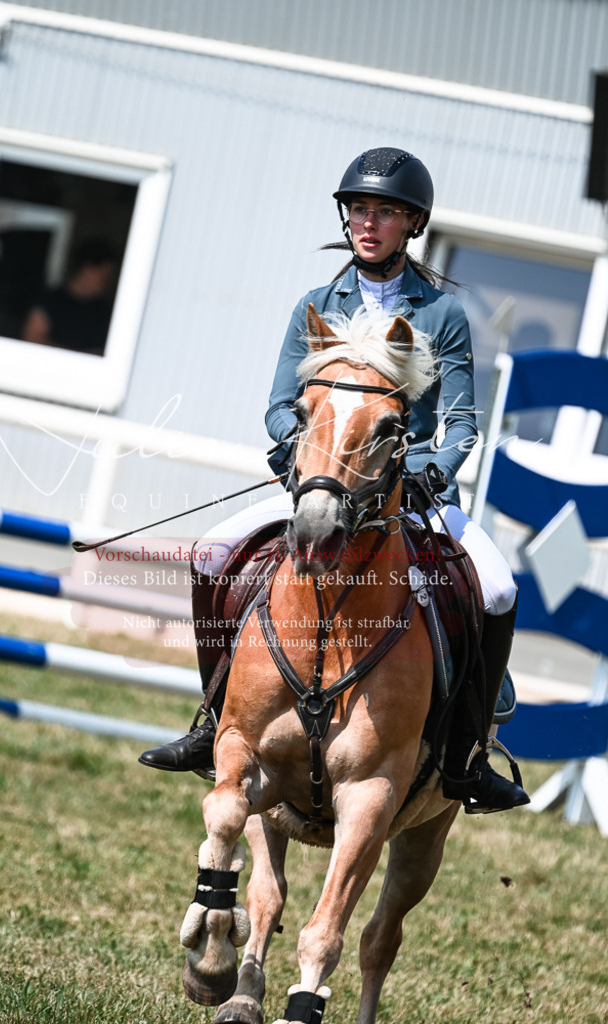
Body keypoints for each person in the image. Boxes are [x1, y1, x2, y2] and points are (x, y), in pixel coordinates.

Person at [139, 147, 529, 814]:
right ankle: (213, 719)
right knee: (210, 553)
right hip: (322, 485)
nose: (368, 223)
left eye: (385, 212)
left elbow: (462, 422)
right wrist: (305, 459)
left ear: (412, 224)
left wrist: (428, 471)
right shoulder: (316, 305)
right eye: (358, 209)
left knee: (496, 587)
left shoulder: (441, 314)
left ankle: (467, 756)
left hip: (410, 494)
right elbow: (278, 406)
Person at [22, 238, 118, 355]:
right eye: (105, 275)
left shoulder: (106, 311)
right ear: (87, 270)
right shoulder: (49, 300)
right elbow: (33, 340)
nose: (109, 281)